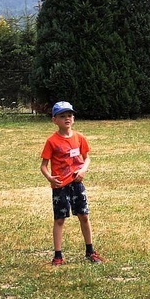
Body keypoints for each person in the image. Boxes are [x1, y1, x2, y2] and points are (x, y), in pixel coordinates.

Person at [40, 101, 103, 265]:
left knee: (84, 215)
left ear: (73, 118)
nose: (67, 119)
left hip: (77, 184)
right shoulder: (52, 141)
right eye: (62, 116)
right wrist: (50, 178)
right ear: (55, 120)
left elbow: (87, 158)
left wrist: (83, 170)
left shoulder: (79, 138)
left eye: (69, 115)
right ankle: (58, 255)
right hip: (60, 185)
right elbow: (43, 166)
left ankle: (90, 251)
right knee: (59, 219)